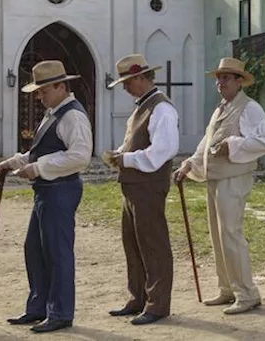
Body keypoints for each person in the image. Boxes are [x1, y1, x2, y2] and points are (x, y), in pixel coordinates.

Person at [0, 60, 93, 334]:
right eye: (37, 92)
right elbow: (40, 150)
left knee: (57, 252)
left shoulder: (73, 116)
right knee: (35, 249)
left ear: (61, 86)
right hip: (46, 190)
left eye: (44, 91)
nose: (40, 97)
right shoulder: (54, 113)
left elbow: (80, 156)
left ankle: (60, 312)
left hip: (61, 189)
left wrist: (38, 168)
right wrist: (14, 162)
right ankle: (38, 307)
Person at [173, 57, 265, 314]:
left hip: (234, 178)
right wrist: (189, 164)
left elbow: (263, 141)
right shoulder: (220, 109)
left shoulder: (250, 108)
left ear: (239, 81)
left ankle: (247, 293)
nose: (220, 82)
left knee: (231, 233)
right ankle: (227, 288)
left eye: (226, 78)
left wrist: (234, 144)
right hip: (215, 177)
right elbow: (207, 143)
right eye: (218, 78)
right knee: (217, 235)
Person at [104, 54, 179, 326]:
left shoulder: (162, 109)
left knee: (153, 244)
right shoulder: (143, 107)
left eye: (127, 82)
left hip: (149, 185)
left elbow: (163, 150)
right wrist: (120, 153)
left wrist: (126, 159)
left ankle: (157, 304)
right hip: (134, 186)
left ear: (140, 78)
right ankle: (138, 298)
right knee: (133, 244)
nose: (125, 88)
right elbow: (137, 144)